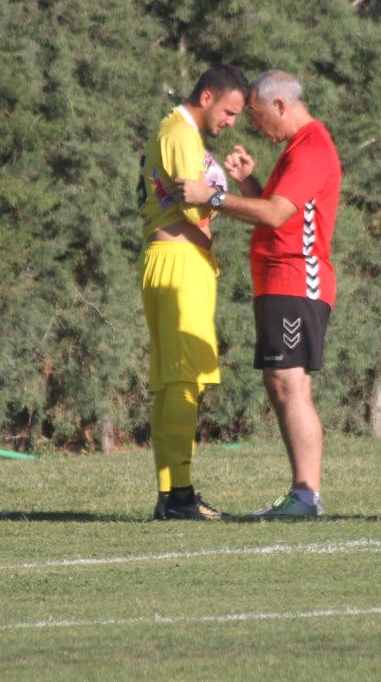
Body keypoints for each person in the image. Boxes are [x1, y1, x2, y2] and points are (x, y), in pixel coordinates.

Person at [175, 70, 342, 519]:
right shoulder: (297, 148)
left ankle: (307, 495)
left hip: (297, 278)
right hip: (277, 280)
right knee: (280, 382)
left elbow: (274, 215)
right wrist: (250, 184)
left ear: (280, 105)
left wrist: (213, 196)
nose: (253, 124)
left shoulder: (311, 146)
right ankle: (302, 494)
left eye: (255, 113)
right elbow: (284, 209)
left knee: (291, 383)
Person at [138, 64, 249, 520]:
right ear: (207, 97)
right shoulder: (182, 133)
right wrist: (218, 200)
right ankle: (180, 497)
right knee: (184, 382)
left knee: (172, 382)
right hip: (179, 262)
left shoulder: (171, 129)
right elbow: (190, 202)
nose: (231, 122)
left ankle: (171, 495)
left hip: (167, 259)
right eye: (229, 111)